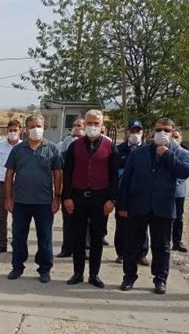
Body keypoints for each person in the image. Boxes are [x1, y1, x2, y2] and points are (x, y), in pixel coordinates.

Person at [118, 118, 189, 294]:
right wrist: (122, 205)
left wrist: (168, 154)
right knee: (132, 245)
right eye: (159, 130)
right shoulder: (139, 153)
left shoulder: (181, 153)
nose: (162, 133)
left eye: (166, 130)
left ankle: (160, 279)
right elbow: (126, 179)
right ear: (153, 132)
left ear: (172, 133)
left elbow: (184, 172)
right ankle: (129, 277)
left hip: (163, 207)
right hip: (138, 205)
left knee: (161, 247)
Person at [62, 110, 119, 288]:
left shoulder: (110, 146)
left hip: (100, 198)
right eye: (89, 123)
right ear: (85, 124)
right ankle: (78, 273)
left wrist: (112, 200)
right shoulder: (74, 146)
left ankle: (94, 274)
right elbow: (67, 173)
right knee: (78, 236)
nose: (92, 126)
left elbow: (114, 175)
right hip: (78, 197)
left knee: (96, 237)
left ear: (102, 126)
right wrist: (67, 197)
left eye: (96, 123)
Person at [4, 114, 62, 283]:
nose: (35, 129)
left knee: (45, 237)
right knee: (18, 237)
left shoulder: (53, 149)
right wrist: (8, 197)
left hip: (44, 202)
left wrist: (57, 197)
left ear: (44, 128)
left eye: (38, 126)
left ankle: (44, 269)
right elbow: (9, 173)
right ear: (26, 129)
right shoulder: (18, 150)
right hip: (21, 202)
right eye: (32, 126)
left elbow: (58, 174)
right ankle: (17, 267)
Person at [115, 120, 149, 265]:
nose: (135, 134)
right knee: (122, 225)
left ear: (143, 132)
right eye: (132, 131)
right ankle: (121, 253)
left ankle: (141, 253)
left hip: (142, 194)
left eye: (138, 131)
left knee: (142, 225)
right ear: (127, 132)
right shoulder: (119, 150)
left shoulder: (148, 150)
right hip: (123, 193)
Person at [56, 117, 85, 258]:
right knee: (68, 221)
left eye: (80, 126)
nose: (77, 129)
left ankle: (84, 249)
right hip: (69, 190)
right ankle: (67, 248)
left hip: (85, 191)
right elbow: (61, 171)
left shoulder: (90, 148)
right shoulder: (64, 148)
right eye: (75, 126)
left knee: (85, 223)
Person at [0, 119, 21, 254]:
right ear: (6, 131)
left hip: (18, 185)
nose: (13, 133)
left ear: (20, 131)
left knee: (18, 216)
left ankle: (17, 243)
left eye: (15, 130)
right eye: (10, 130)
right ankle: (2, 244)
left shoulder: (24, 146)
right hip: (1, 184)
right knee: (0, 216)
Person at [172, 128, 189, 252]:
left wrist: (173, 184)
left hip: (178, 192)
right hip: (163, 192)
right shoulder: (161, 151)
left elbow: (185, 172)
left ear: (181, 138)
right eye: (172, 137)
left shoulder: (186, 153)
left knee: (178, 218)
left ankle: (177, 242)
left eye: (176, 137)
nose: (174, 139)